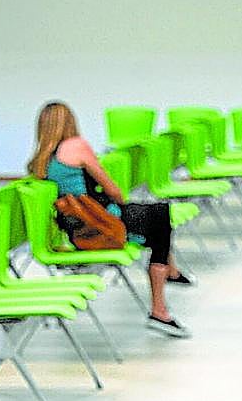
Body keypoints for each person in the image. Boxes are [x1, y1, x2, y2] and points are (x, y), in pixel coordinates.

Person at [26, 101, 193, 338]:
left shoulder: (41, 161)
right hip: (101, 223)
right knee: (159, 216)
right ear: (69, 121)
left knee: (154, 218)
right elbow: (111, 189)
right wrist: (122, 200)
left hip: (78, 229)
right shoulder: (76, 145)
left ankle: (172, 274)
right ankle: (159, 310)